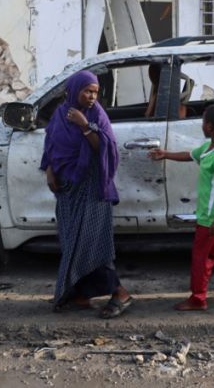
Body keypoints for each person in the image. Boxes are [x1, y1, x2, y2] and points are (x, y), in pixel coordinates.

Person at [40, 70, 133, 319]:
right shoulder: (60, 113)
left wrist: (84, 126)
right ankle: (81, 293)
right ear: (74, 91)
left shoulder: (95, 115)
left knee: (91, 241)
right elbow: (52, 143)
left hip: (91, 187)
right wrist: (49, 169)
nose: (92, 96)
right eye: (87, 91)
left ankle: (120, 293)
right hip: (67, 188)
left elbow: (105, 148)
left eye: (95, 92)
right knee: (72, 241)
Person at [148, 105, 214, 310]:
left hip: (212, 215)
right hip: (212, 214)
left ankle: (198, 298)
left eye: (203, 121)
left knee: (201, 256)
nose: (201, 125)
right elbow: (189, 155)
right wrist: (166, 154)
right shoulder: (209, 148)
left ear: (209, 126)